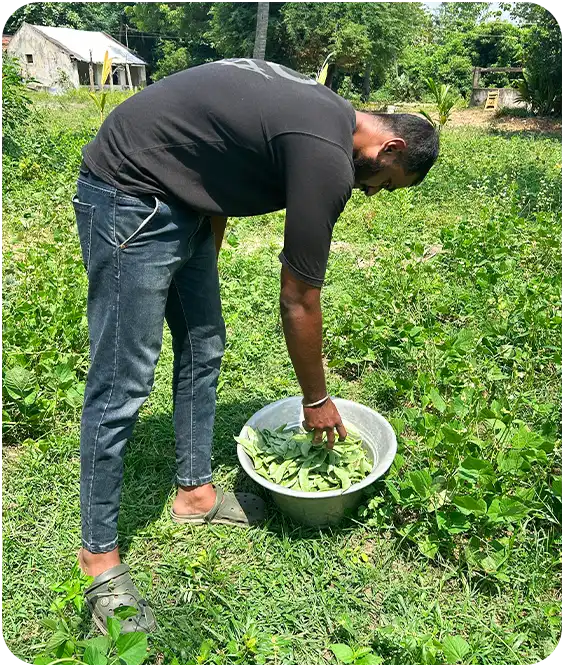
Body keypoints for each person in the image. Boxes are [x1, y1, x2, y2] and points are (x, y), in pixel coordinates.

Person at [73, 58, 439, 634]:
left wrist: (200, 254)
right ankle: (98, 561)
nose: (371, 193)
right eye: (383, 183)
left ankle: (194, 496)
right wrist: (316, 399)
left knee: (204, 343)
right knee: (123, 380)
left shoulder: (323, 110)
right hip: (129, 192)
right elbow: (299, 298)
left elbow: (216, 151)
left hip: (181, 199)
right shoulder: (326, 153)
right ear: (389, 147)